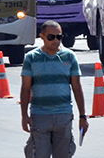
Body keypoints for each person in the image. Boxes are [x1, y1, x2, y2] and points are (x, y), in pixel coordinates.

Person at [21, 20, 87, 158]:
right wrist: (24, 115)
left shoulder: (69, 56)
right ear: (42, 36)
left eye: (59, 37)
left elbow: (77, 87)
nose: (56, 40)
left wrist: (82, 116)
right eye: (51, 37)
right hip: (40, 117)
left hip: (64, 117)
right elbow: (26, 88)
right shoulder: (31, 58)